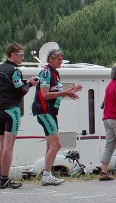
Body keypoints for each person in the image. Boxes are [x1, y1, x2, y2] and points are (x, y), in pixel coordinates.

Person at [0, 43, 39, 190]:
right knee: (9, 146)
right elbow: (20, 92)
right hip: (12, 110)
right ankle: (5, 179)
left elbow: (9, 86)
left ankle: (1, 177)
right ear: (13, 54)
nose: (23, 58)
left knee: (1, 145)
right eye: (21, 55)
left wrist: (25, 83)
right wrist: (30, 84)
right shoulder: (15, 70)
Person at [32, 48, 82, 186]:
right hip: (44, 111)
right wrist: (65, 92)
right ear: (50, 60)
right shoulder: (46, 72)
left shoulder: (55, 73)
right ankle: (46, 175)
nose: (61, 62)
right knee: (57, 144)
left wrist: (70, 92)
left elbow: (55, 93)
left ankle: (48, 174)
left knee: (50, 145)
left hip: (51, 112)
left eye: (62, 59)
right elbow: (45, 95)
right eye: (59, 59)